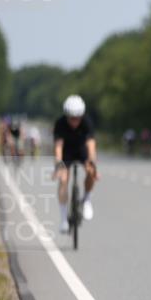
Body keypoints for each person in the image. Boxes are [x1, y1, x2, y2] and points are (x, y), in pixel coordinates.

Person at [53, 95, 98, 233]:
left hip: (81, 150)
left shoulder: (87, 122)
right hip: (66, 152)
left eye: (77, 118)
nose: (75, 121)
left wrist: (92, 162)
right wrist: (59, 164)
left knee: (91, 171)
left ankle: (87, 200)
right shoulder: (60, 123)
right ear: (66, 116)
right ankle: (63, 220)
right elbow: (58, 146)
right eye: (71, 118)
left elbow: (91, 144)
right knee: (63, 179)